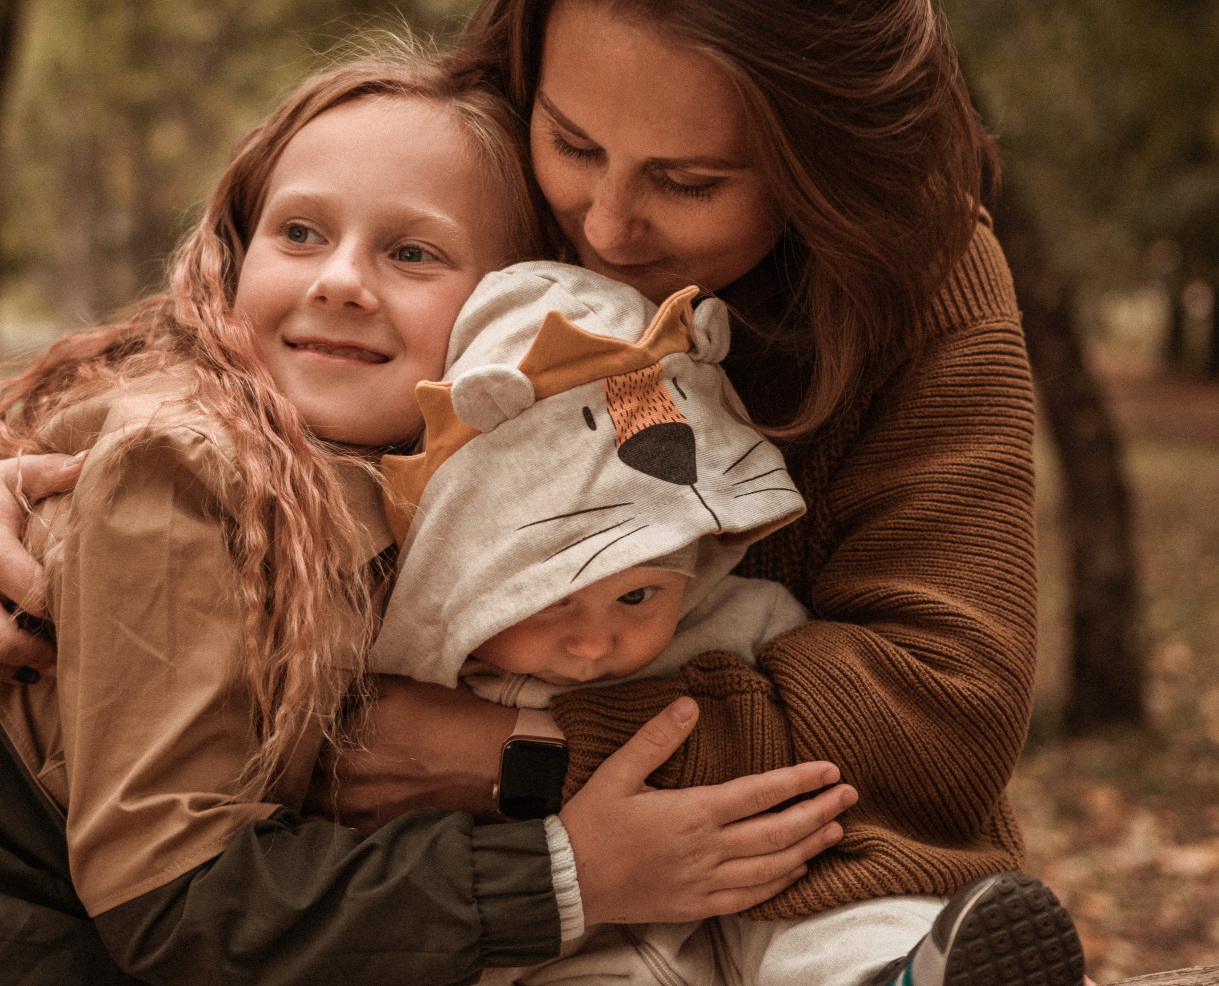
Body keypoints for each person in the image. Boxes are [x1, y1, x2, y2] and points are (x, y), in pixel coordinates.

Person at [0, 0, 1094, 983]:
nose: (607, 226)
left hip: (785, 854)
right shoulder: (483, 178)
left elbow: (944, 700)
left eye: (686, 181)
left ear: (821, 170)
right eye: (573, 143)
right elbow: (213, 365)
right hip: (458, 892)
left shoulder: (917, 279)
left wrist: (519, 753)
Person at [0, 51, 853, 986]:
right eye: (300, 234)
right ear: (235, 253)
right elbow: (172, 902)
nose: (340, 280)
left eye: (410, 253)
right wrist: (563, 876)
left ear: (510, 309)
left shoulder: (419, 481)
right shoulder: (185, 473)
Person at [369, 260, 1084, 985]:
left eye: (638, 596)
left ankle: (899, 974)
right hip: (574, 949)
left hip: (761, 900)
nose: (594, 642)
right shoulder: (411, 700)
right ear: (463, 577)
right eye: (550, 600)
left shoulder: (740, 626)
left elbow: (865, 748)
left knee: (840, 896)